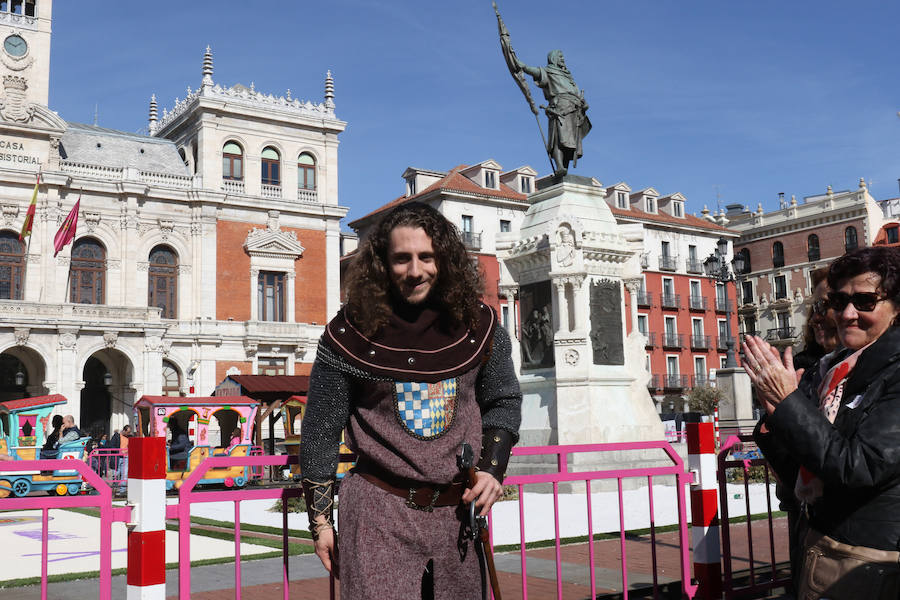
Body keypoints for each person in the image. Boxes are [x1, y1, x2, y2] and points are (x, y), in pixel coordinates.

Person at [299, 201, 522, 599]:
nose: (415, 270)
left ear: (446, 260)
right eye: (402, 258)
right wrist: (320, 522)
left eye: (426, 257)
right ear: (383, 264)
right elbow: (320, 431)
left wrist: (492, 469)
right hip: (377, 515)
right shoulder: (347, 334)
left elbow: (503, 401)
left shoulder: (481, 326)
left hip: (458, 517)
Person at [747, 246, 900, 599]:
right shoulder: (834, 370)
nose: (846, 314)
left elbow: (857, 467)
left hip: (871, 559)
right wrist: (775, 418)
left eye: (865, 301)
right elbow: (809, 469)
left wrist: (789, 405)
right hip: (822, 550)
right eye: (839, 301)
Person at [513, 49, 591, 176]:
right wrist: (522, 65)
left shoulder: (568, 76)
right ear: (553, 58)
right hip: (560, 108)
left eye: (563, 57)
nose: (562, 59)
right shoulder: (549, 71)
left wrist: (583, 103)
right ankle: (560, 167)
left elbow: (575, 93)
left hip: (575, 110)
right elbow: (536, 71)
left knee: (570, 143)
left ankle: (564, 169)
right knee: (559, 139)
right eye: (560, 56)